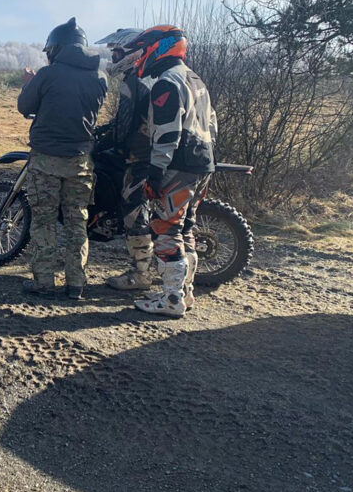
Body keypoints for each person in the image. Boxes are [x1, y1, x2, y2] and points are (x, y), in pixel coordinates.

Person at [114, 25, 217, 317]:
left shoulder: (166, 83)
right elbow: (213, 125)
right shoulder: (195, 80)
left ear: (159, 48)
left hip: (177, 164)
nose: (141, 55)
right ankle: (186, 292)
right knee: (186, 229)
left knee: (165, 228)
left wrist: (156, 172)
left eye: (144, 49)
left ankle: (172, 299)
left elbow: (167, 133)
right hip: (202, 162)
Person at [17, 17, 107, 299]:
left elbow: (25, 106)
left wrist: (30, 84)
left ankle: (44, 282)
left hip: (45, 160)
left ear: (56, 49)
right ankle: (76, 284)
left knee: (43, 221)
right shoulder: (100, 77)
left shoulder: (47, 74)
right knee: (76, 221)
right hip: (80, 160)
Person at [95, 28, 155, 292]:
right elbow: (122, 122)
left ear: (133, 54)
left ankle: (140, 274)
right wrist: (104, 130)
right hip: (148, 153)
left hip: (138, 157)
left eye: (118, 52)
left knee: (133, 213)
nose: (114, 56)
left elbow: (125, 130)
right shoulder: (144, 78)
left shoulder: (135, 81)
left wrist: (101, 141)